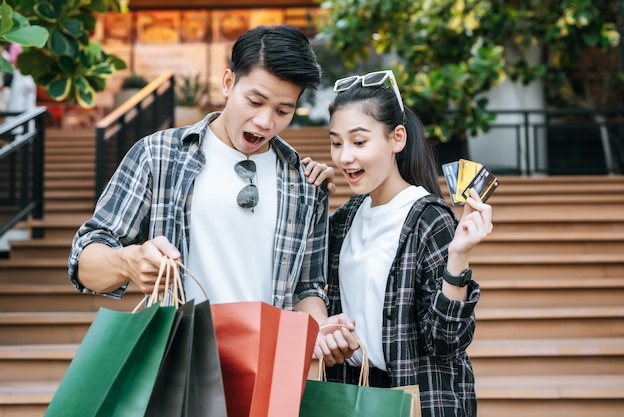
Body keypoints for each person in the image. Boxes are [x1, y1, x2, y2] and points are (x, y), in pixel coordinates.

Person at [68, 24, 356, 363]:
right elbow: (84, 262)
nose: (265, 122)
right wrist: (127, 261)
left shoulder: (305, 181)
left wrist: (319, 330)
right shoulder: (158, 155)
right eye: (255, 101)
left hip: (270, 369)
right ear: (228, 82)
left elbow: (307, 287)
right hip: (178, 366)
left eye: (283, 110)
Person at [317, 70, 493, 417]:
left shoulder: (429, 218)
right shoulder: (346, 217)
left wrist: (458, 259)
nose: (344, 157)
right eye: (336, 143)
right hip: (352, 396)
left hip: (416, 400)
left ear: (397, 138)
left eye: (359, 142)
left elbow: (445, 343)